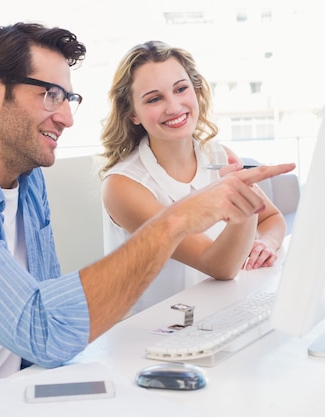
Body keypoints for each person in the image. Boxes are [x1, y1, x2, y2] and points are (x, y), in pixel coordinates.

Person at [0, 23, 293, 401]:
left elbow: (44, 312)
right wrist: (176, 220)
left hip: (22, 386)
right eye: (51, 95)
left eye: (69, 97)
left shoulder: (26, 178)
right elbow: (42, 329)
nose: (68, 117)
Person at [99, 41, 292, 313]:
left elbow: (272, 218)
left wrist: (265, 243)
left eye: (180, 89)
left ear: (196, 90)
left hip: (218, 314)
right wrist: (244, 209)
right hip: (155, 336)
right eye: (154, 99)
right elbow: (219, 266)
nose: (174, 106)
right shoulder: (123, 186)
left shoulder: (217, 155)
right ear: (132, 114)